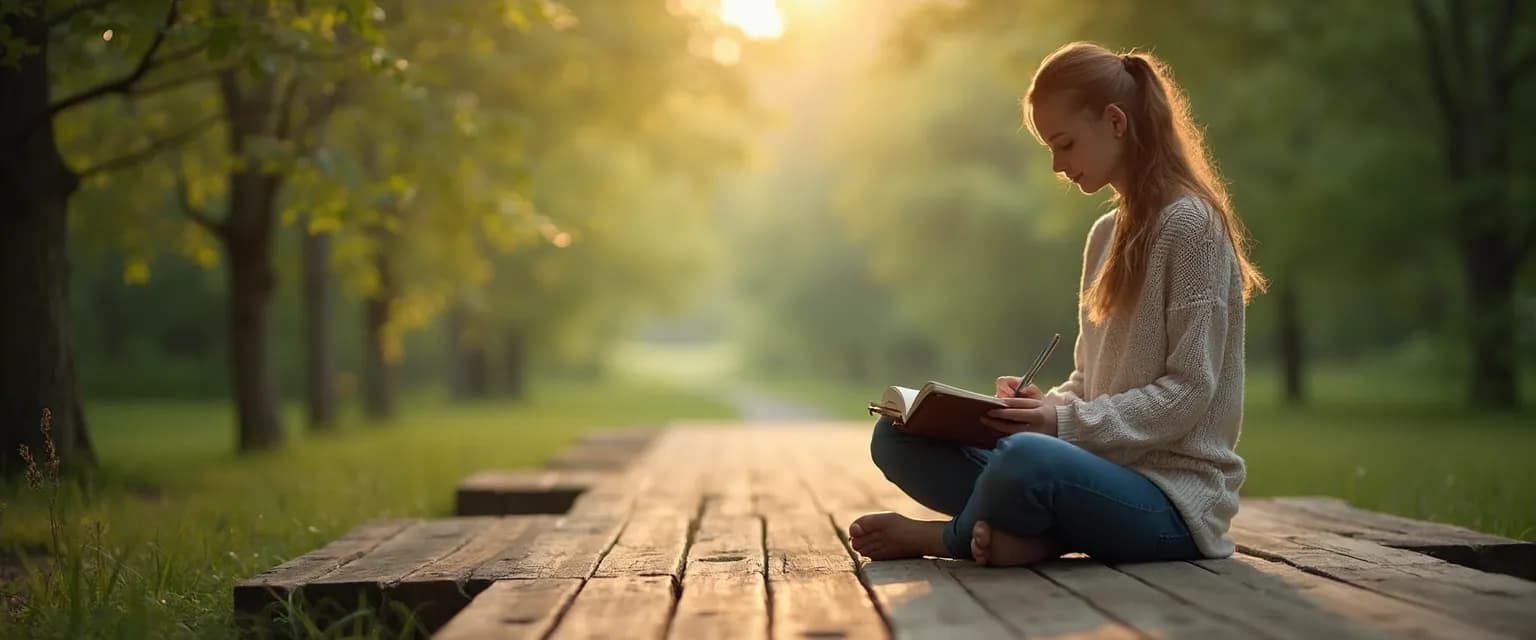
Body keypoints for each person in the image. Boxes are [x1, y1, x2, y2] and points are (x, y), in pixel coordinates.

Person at [847, 41, 1268, 566]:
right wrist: (1036, 406)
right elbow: (1089, 383)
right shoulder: (1104, 234)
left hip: (1172, 504)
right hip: (1086, 473)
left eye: (1064, 144)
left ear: (1115, 121)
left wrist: (1058, 425)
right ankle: (1032, 536)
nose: (1055, 164)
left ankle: (945, 539)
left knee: (1028, 459)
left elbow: (1189, 394)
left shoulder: (1191, 225)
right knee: (897, 436)